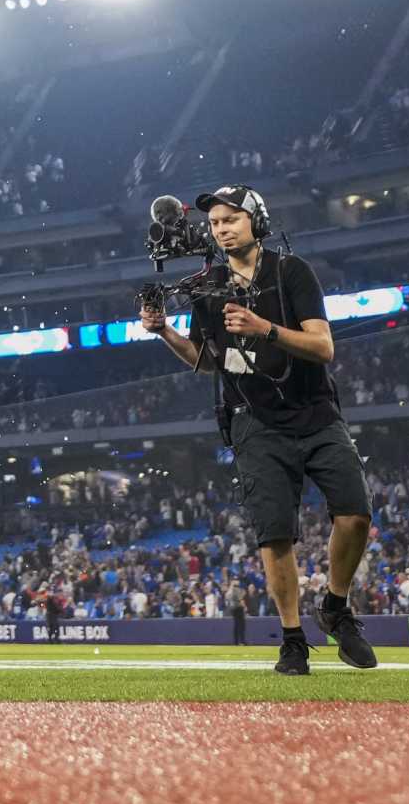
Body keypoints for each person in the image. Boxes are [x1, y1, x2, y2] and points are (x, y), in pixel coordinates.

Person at [139, 185, 376, 675]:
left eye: (231, 219)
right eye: (215, 223)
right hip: (254, 421)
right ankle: (292, 639)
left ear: (256, 223)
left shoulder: (292, 271)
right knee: (275, 536)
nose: (222, 228)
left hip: (315, 411)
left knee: (355, 514)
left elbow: (324, 347)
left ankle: (334, 605)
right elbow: (207, 362)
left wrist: (262, 327)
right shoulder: (207, 288)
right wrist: (165, 331)